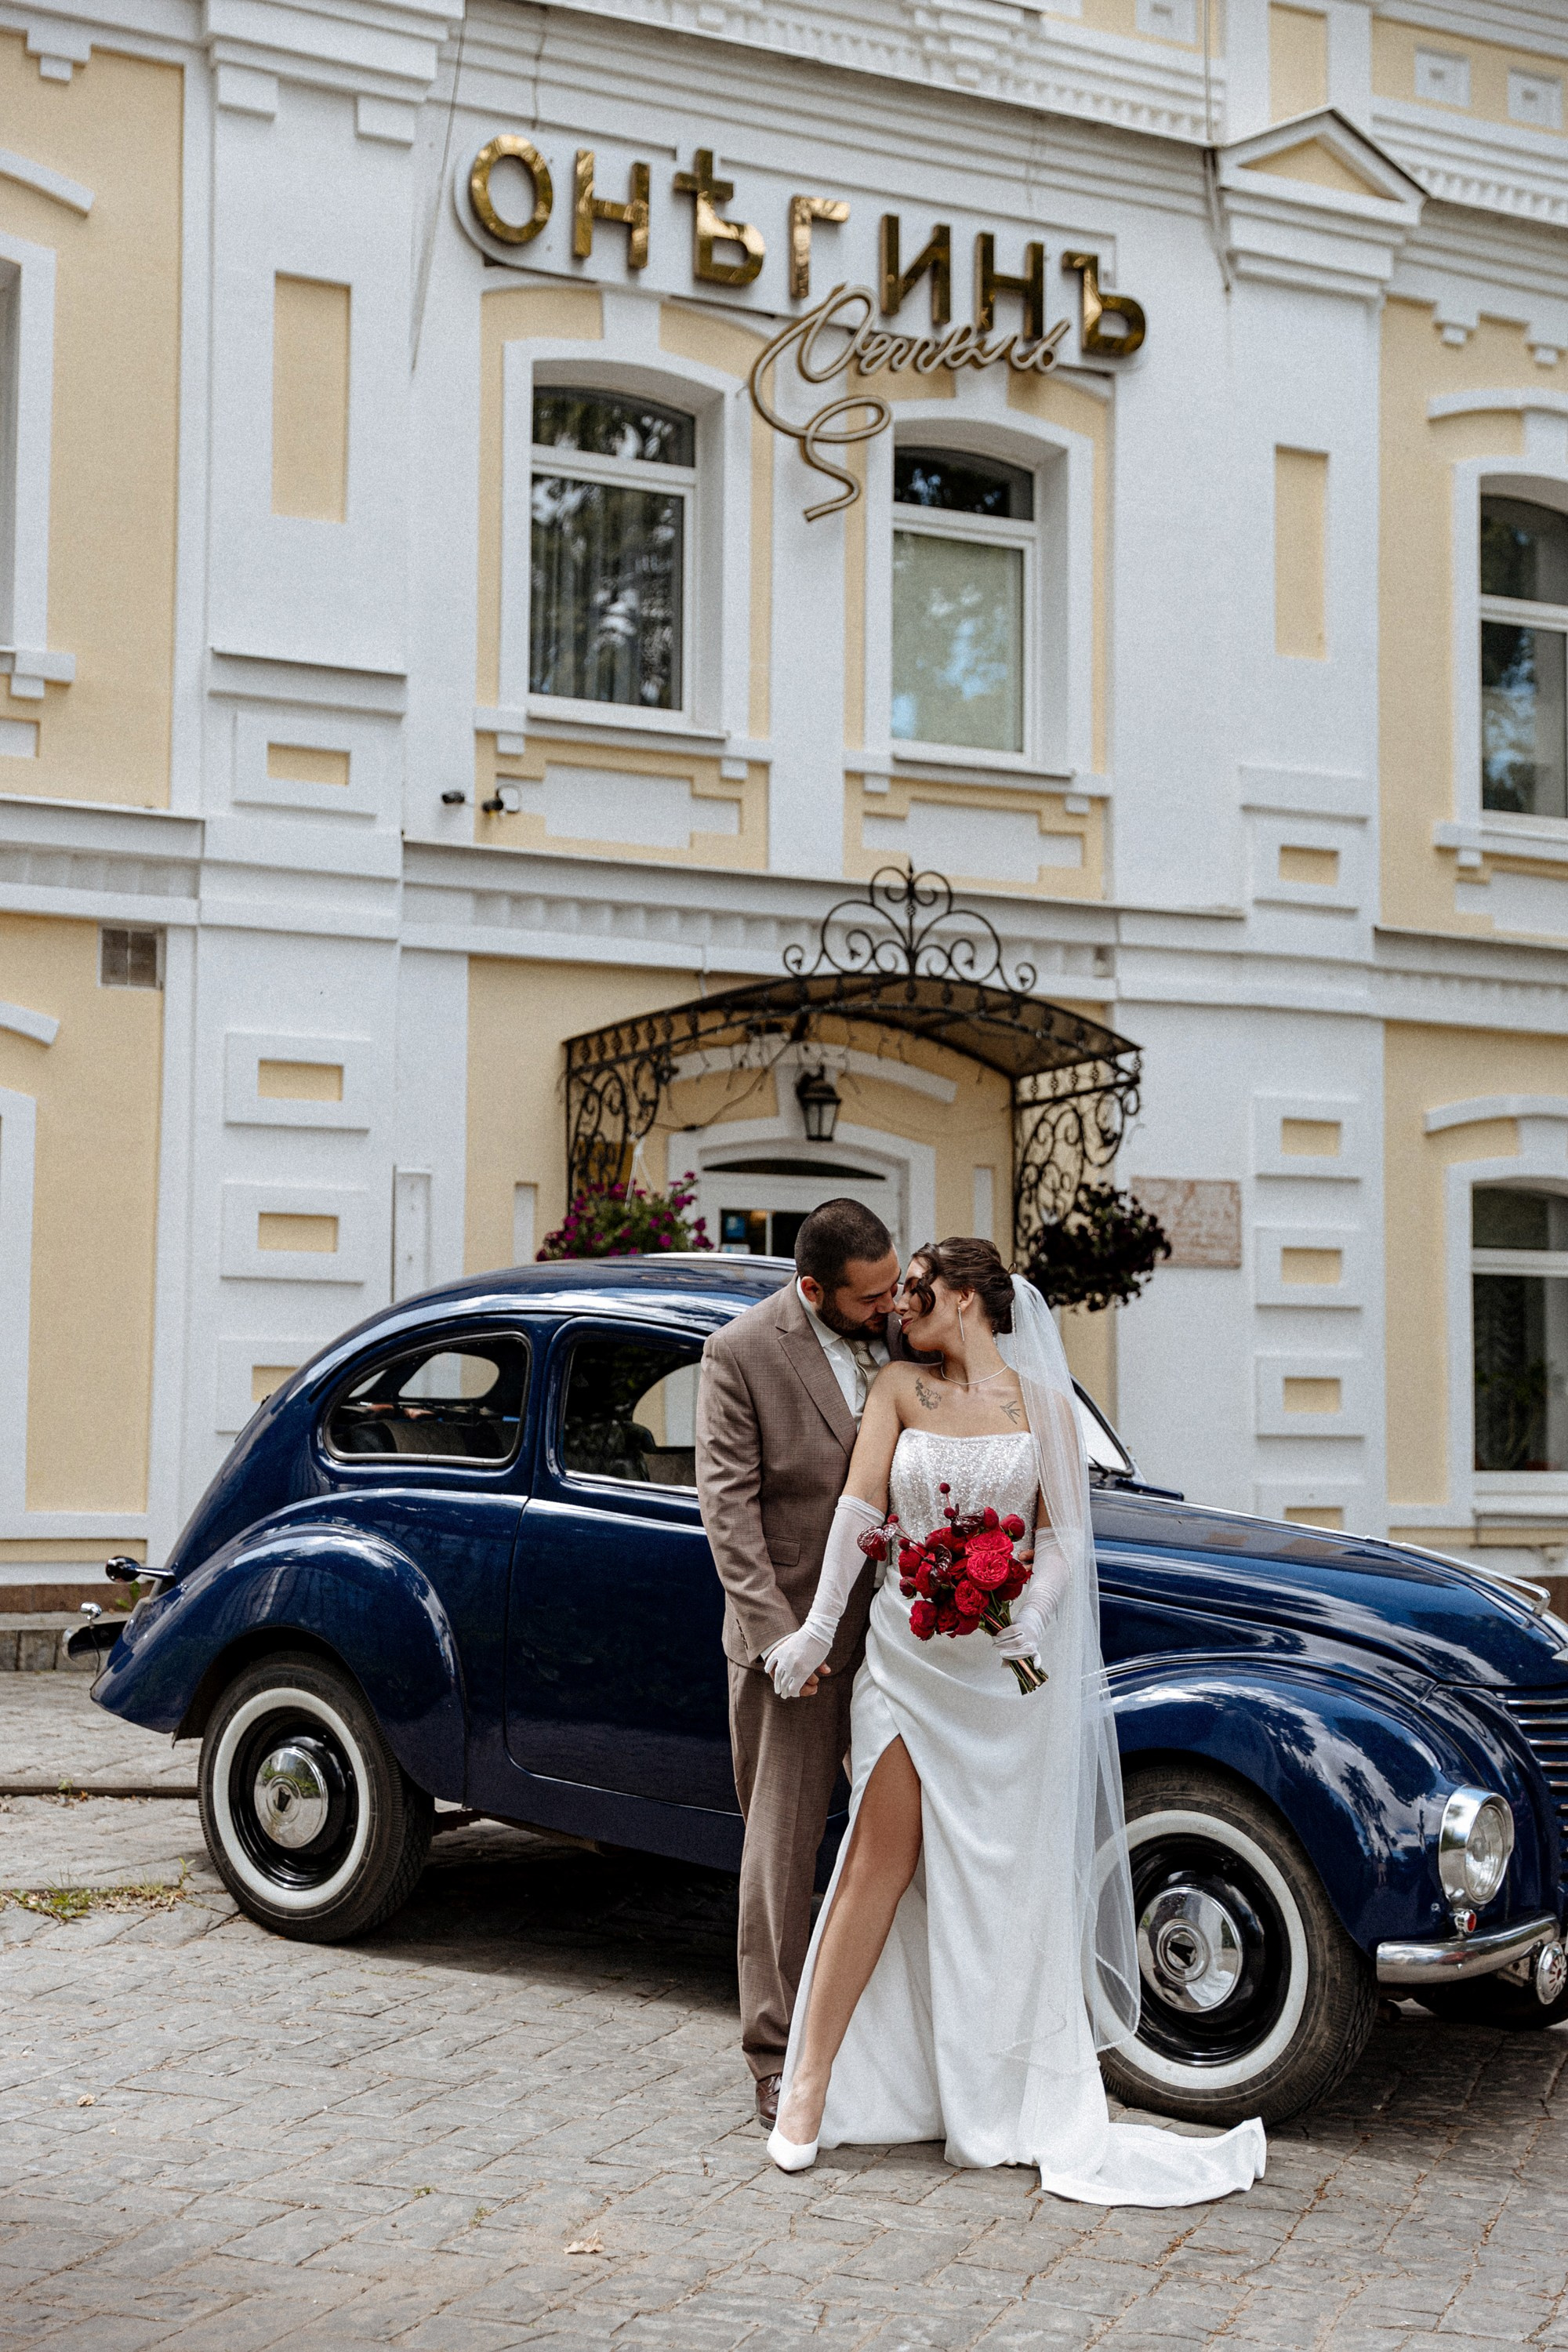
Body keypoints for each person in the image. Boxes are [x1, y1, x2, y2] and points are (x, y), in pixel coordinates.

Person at [763, 1236, 1266, 2205]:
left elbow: (1063, 1538)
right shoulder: (899, 1391)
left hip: (1002, 1683)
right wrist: (820, 1628)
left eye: (915, 1290)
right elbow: (859, 1515)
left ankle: (984, 2087)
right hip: (906, 1661)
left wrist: (1028, 1617)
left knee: (1006, 1885)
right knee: (879, 1857)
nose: (898, 1306)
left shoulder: (1042, 1404)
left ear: (965, 1298)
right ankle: (808, 2087)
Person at [695, 1199, 902, 2129]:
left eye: (893, 1287)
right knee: (781, 1854)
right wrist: (783, 1637)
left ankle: (889, 2042)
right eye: (869, 1297)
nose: (888, 1307)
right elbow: (727, 1510)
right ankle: (774, 2056)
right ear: (812, 1288)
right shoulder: (738, 1354)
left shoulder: (908, 1336)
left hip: (904, 1639)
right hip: (794, 1648)